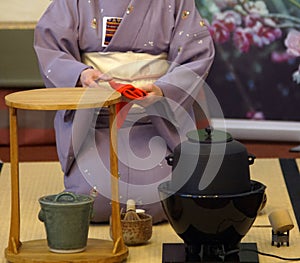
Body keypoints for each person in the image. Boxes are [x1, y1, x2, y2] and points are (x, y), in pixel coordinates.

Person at [34, 0, 215, 224]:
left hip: (156, 120)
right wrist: (80, 74)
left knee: (165, 196)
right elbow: (50, 47)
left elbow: (196, 52)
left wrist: (162, 89)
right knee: (93, 198)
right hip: (95, 121)